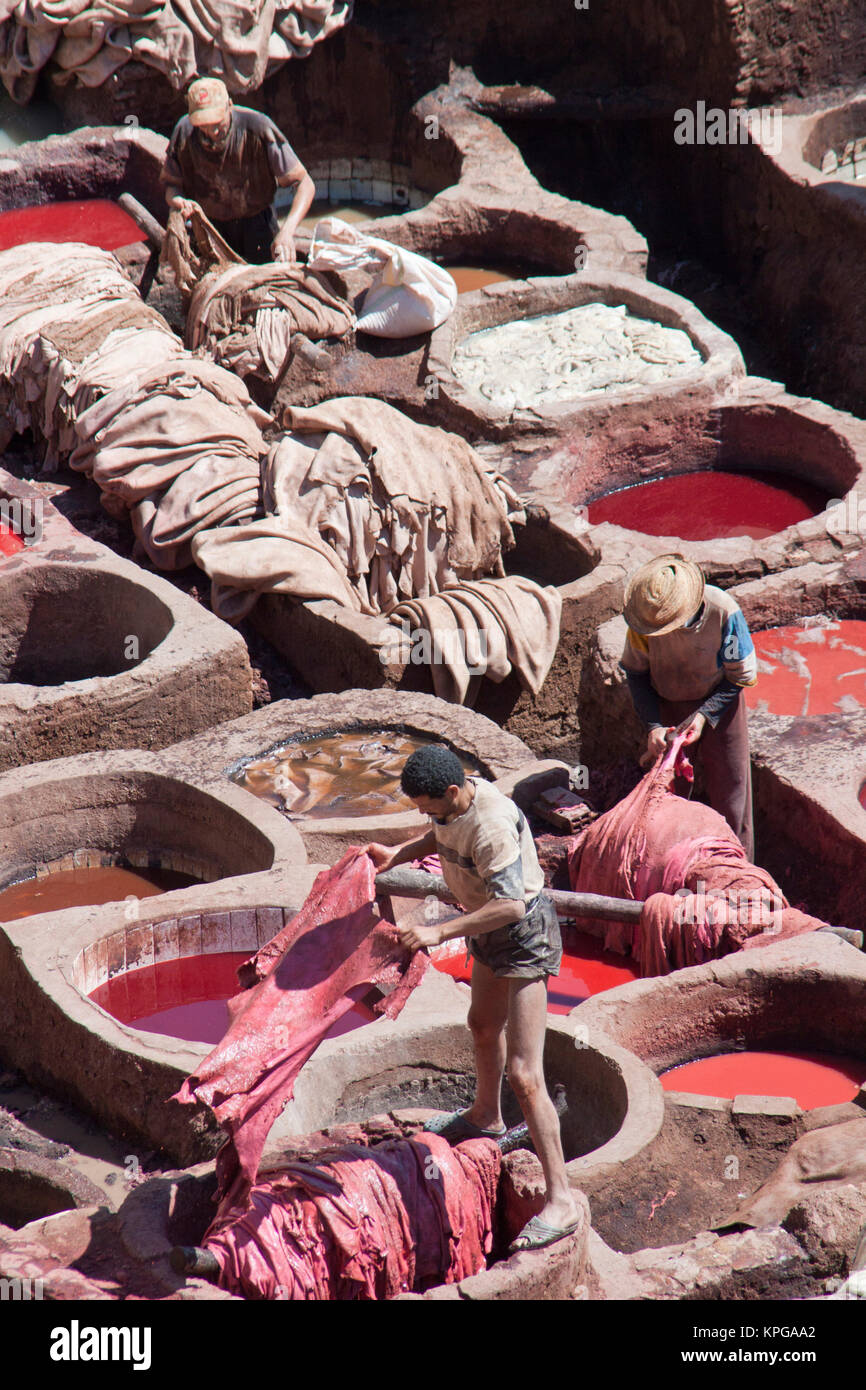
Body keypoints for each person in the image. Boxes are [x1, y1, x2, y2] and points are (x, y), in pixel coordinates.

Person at [367, 744, 580, 1252]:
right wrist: (397, 854)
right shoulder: (455, 801)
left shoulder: (491, 824)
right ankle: (487, 1115)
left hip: (522, 934)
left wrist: (441, 934)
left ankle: (561, 1200)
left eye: (428, 805)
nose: (426, 815)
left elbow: (508, 905)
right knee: (483, 1026)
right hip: (487, 929)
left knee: (527, 1074)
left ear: (453, 791)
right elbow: (439, 831)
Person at [620, 552, 757, 858]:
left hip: (722, 703)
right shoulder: (645, 621)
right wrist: (653, 726)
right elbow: (637, 673)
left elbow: (740, 677)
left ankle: (737, 866)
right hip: (668, 704)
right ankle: (671, 864)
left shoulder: (723, 612)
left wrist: (705, 715)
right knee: (669, 797)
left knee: (731, 793)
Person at [161, 76, 315, 264]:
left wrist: (287, 231)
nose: (212, 132)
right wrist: (179, 202)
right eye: (203, 126)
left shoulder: (258, 128)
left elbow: (304, 183)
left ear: (230, 106)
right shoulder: (184, 132)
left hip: (257, 224)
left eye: (217, 123)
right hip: (209, 228)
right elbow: (172, 187)